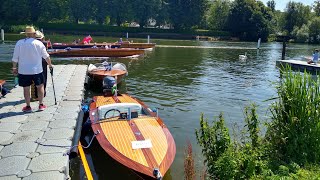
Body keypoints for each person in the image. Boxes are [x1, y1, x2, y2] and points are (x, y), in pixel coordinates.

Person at [12, 26, 53, 112]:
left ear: (26, 34)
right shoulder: (39, 43)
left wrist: (14, 67)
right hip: (36, 70)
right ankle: (41, 104)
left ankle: (28, 106)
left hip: (23, 70)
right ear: (34, 34)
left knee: (26, 88)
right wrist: (50, 65)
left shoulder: (19, 43)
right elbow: (46, 56)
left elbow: (15, 57)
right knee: (40, 86)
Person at [33, 30, 48, 100]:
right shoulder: (44, 43)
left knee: (35, 79)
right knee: (43, 78)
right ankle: (43, 93)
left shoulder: (32, 43)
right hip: (43, 62)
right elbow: (45, 54)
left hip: (35, 62)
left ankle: (36, 95)